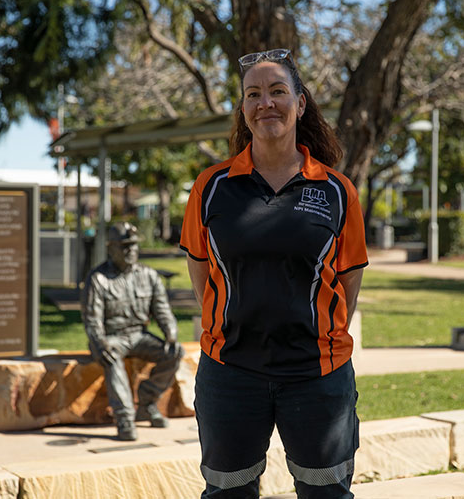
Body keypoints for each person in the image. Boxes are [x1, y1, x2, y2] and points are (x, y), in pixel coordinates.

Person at [180, 48, 368, 498]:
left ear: (300, 104)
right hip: (230, 373)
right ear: (244, 109)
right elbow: (202, 274)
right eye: (253, 94)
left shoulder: (337, 191)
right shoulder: (211, 187)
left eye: (278, 91)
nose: (266, 103)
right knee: (227, 492)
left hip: (317, 375)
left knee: (326, 492)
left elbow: (348, 282)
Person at [81, 222, 185, 441]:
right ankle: (125, 419)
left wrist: (171, 333)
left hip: (139, 335)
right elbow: (92, 319)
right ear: (111, 248)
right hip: (111, 337)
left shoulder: (148, 275)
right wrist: (99, 342)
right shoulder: (98, 278)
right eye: (124, 246)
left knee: (174, 352)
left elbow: (162, 310)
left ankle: (147, 403)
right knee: (111, 357)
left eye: (133, 245)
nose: (130, 250)